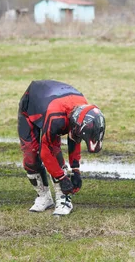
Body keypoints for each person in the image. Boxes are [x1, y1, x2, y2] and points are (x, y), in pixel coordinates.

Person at [17, 80, 105, 216]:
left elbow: (74, 139)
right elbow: (46, 153)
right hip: (31, 105)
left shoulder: (84, 110)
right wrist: (62, 178)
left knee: (54, 151)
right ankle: (44, 197)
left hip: (54, 103)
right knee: (32, 155)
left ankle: (63, 199)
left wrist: (76, 170)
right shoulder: (56, 118)